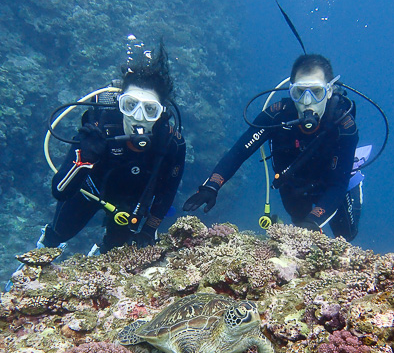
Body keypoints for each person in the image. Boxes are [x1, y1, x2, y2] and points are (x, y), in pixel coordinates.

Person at [183, 53, 361, 240]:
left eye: (317, 92)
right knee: (300, 231)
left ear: (330, 91)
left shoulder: (344, 126)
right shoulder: (277, 116)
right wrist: (211, 186)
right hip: (293, 185)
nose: (307, 101)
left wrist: (314, 219)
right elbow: (239, 151)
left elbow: (338, 184)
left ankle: (355, 184)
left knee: (346, 235)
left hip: (332, 184)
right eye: (299, 92)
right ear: (291, 91)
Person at [41, 40, 186, 253]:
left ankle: (100, 251)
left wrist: (149, 229)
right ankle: (38, 255)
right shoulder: (99, 127)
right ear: (120, 103)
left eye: (150, 110)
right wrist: (84, 160)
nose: (138, 117)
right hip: (89, 190)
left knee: (115, 251)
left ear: (161, 114)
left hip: (127, 204)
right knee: (58, 233)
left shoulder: (172, 143)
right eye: (130, 105)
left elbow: (167, 192)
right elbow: (60, 190)